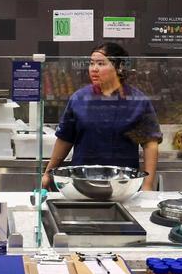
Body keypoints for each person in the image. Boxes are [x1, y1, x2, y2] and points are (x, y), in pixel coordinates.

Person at [41, 42, 162, 191]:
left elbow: (149, 144)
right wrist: (48, 173)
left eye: (101, 63)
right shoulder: (79, 99)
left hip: (123, 185)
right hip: (82, 183)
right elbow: (65, 139)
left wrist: (147, 185)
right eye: (91, 63)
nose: (94, 69)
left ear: (119, 67)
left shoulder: (137, 101)